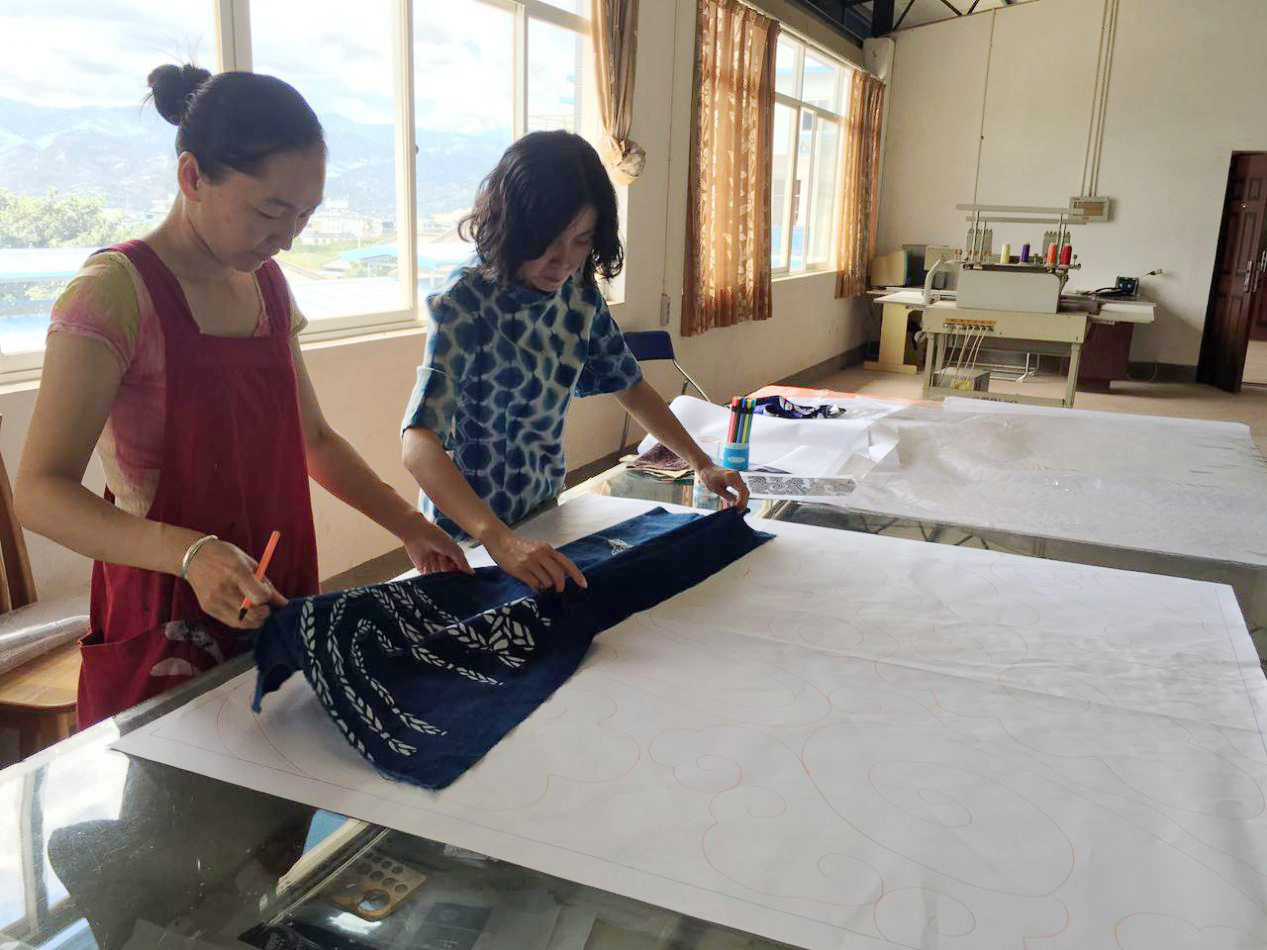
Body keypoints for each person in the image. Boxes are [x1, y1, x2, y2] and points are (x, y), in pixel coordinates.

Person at [15, 64, 469, 727]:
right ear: (192, 177)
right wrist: (191, 553)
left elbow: (313, 440)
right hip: (165, 610)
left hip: (275, 587)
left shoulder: (267, 286)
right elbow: (39, 492)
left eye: (305, 216)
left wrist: (413, 527)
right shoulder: (113, 293)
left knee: (285, 763)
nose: (286, 238)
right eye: (269, 212)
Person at [401, 131, 748, 594]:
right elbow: (418, 444)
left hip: (544, 516)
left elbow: (630, 385)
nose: (562, 262)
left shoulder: (578, 295)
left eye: (581, 240)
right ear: (513, 228)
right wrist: (497, 537)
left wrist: (701, 464)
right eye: (547, 241)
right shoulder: (464, 302)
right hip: (467, 537)